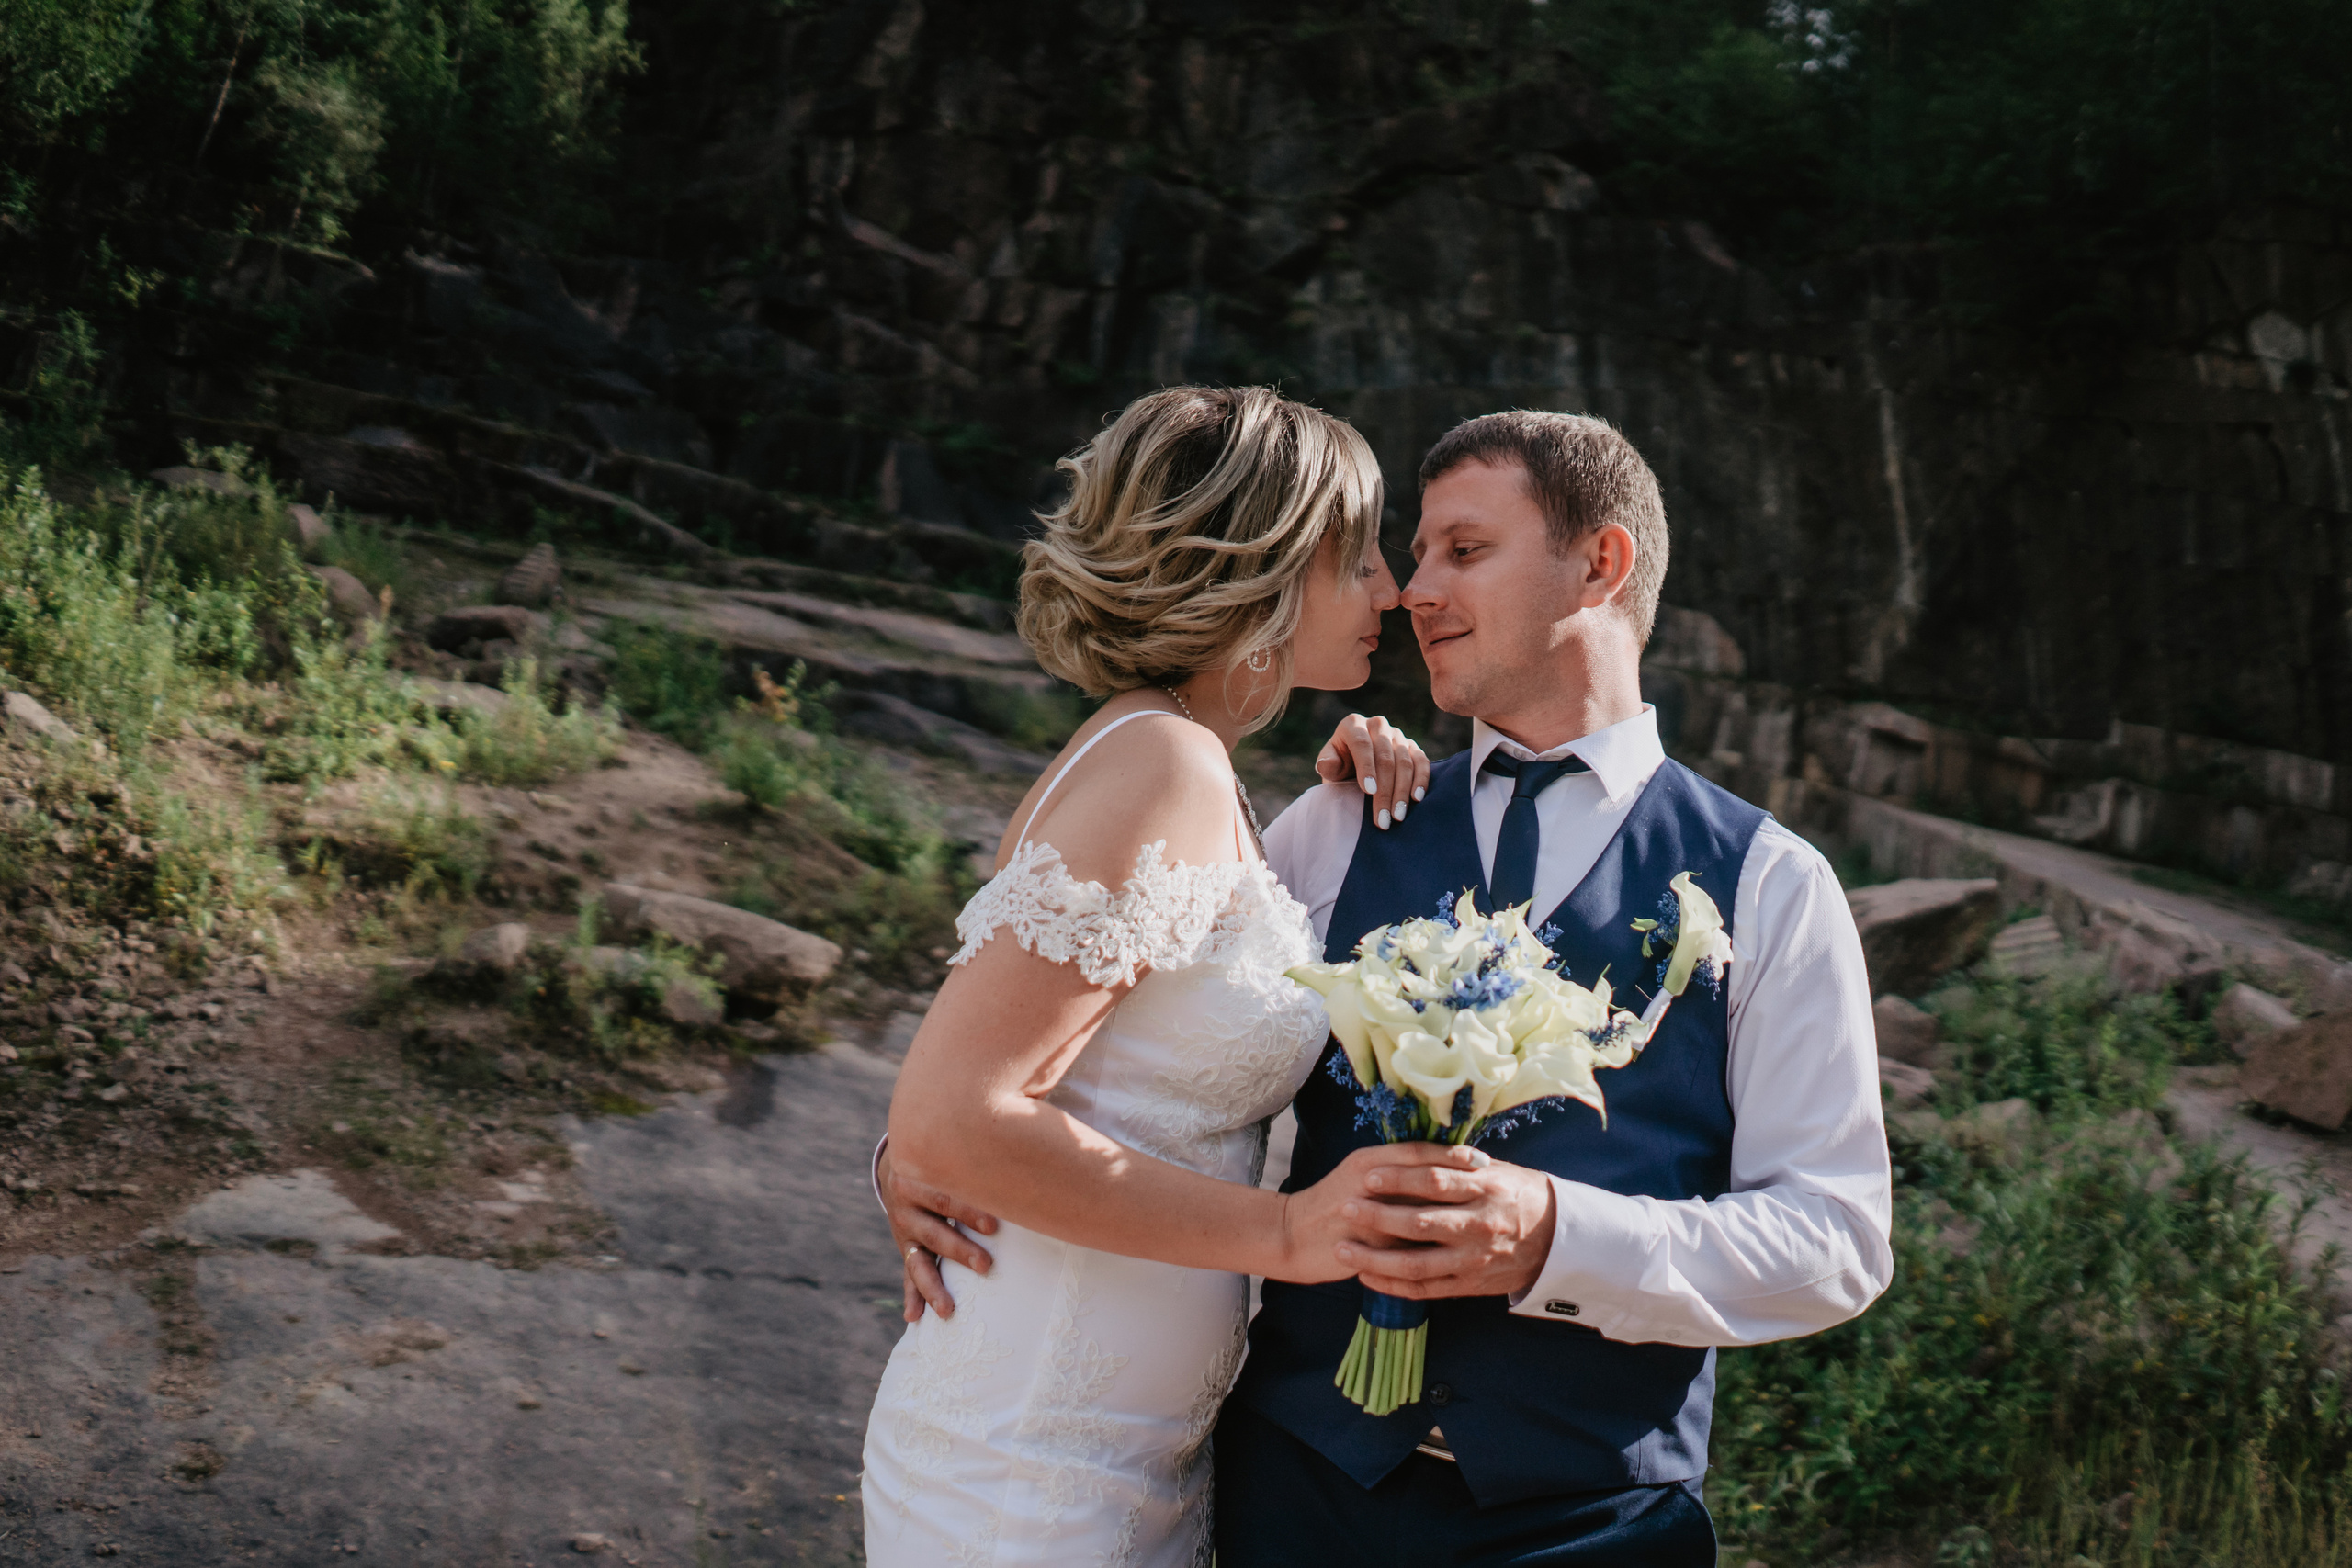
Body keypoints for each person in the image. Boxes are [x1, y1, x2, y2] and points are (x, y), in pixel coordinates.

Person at [887, 409, 1893, 1566]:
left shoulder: (1770, 884)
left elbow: (1835, 1237)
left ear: (1600, 565)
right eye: (1408, 556)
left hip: (1589, 1527)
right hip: (1290, 1494)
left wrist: (1559, 1238)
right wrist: (918, 1160)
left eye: (1464, 551)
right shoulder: (1334, 823)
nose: (1414, 590)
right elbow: (1100, 1035)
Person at [859, 384, 1455, 1567]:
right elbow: (957, 1114)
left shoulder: (1184, 765)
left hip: (1120, 1459)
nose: (1391, 588)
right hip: (1023, 1467)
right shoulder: (1162, 765)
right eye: (1359, 555)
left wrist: (1351, 789)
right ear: (1263, 566)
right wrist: (1286, 1233)